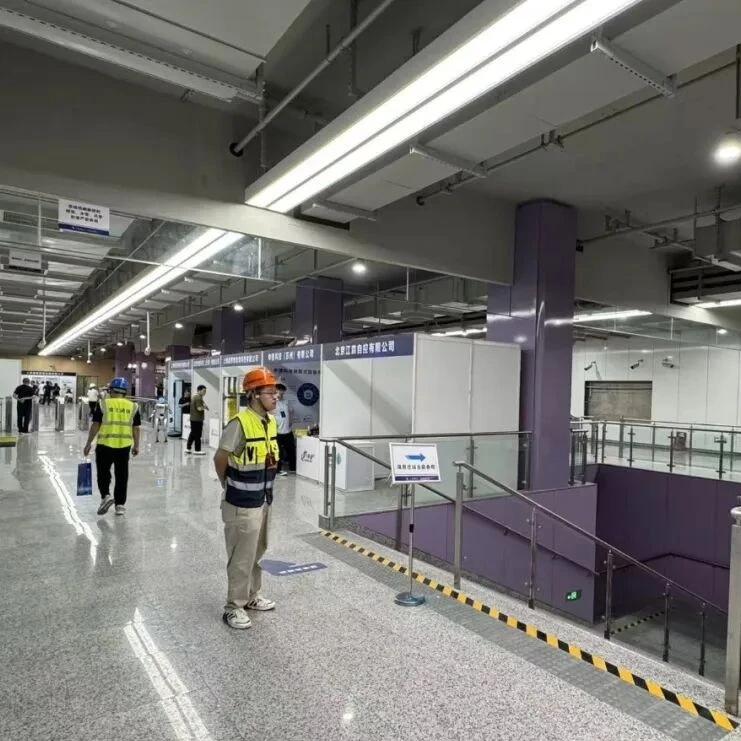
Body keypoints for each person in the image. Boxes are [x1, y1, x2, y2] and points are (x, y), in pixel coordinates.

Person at [213, 367, 280, 630]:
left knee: (256, 552)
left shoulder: (270, 422)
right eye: (270, 392)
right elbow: (220, 458)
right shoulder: (239, 423)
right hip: (241, 502)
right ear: (253, 394)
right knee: (241, 557)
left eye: (276, 392)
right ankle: (233, 607)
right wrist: (227, 485)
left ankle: (252, 595)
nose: (275, 396)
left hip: (262, 500)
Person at [83, 377, 141, 516]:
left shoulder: (103, 404)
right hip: (124, 446)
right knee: (122, 475)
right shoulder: (133, 406)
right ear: (124, 392)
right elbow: (136, 428)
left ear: (111, 390)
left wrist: (88, 443)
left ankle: (106, 496)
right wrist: (136, 445)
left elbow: (96, 425)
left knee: (103, 473)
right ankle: (120, 505)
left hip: (105, 445)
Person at [275, 382, 296, 476]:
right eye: (279, 393)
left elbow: (291, 412)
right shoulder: (272, 402)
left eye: (282, 393)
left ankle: (293, 468)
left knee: (291, 450)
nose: (281, 395)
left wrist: (291, 421)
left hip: (287, 431)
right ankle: (277, 469)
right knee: (277, 452)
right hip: (277, 432)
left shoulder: (286, 402)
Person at [186, 385, 208, 455]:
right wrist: (204, 407)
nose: (205, 393)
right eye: (204, 391)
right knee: (198, 435)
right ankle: (197, 450)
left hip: (194, 418)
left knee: (193, 433)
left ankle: (188, 448)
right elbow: (199, 408)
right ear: (199, 390)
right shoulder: (198, 398)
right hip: (197, 419)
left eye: (205, 391)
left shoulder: (194, 396)